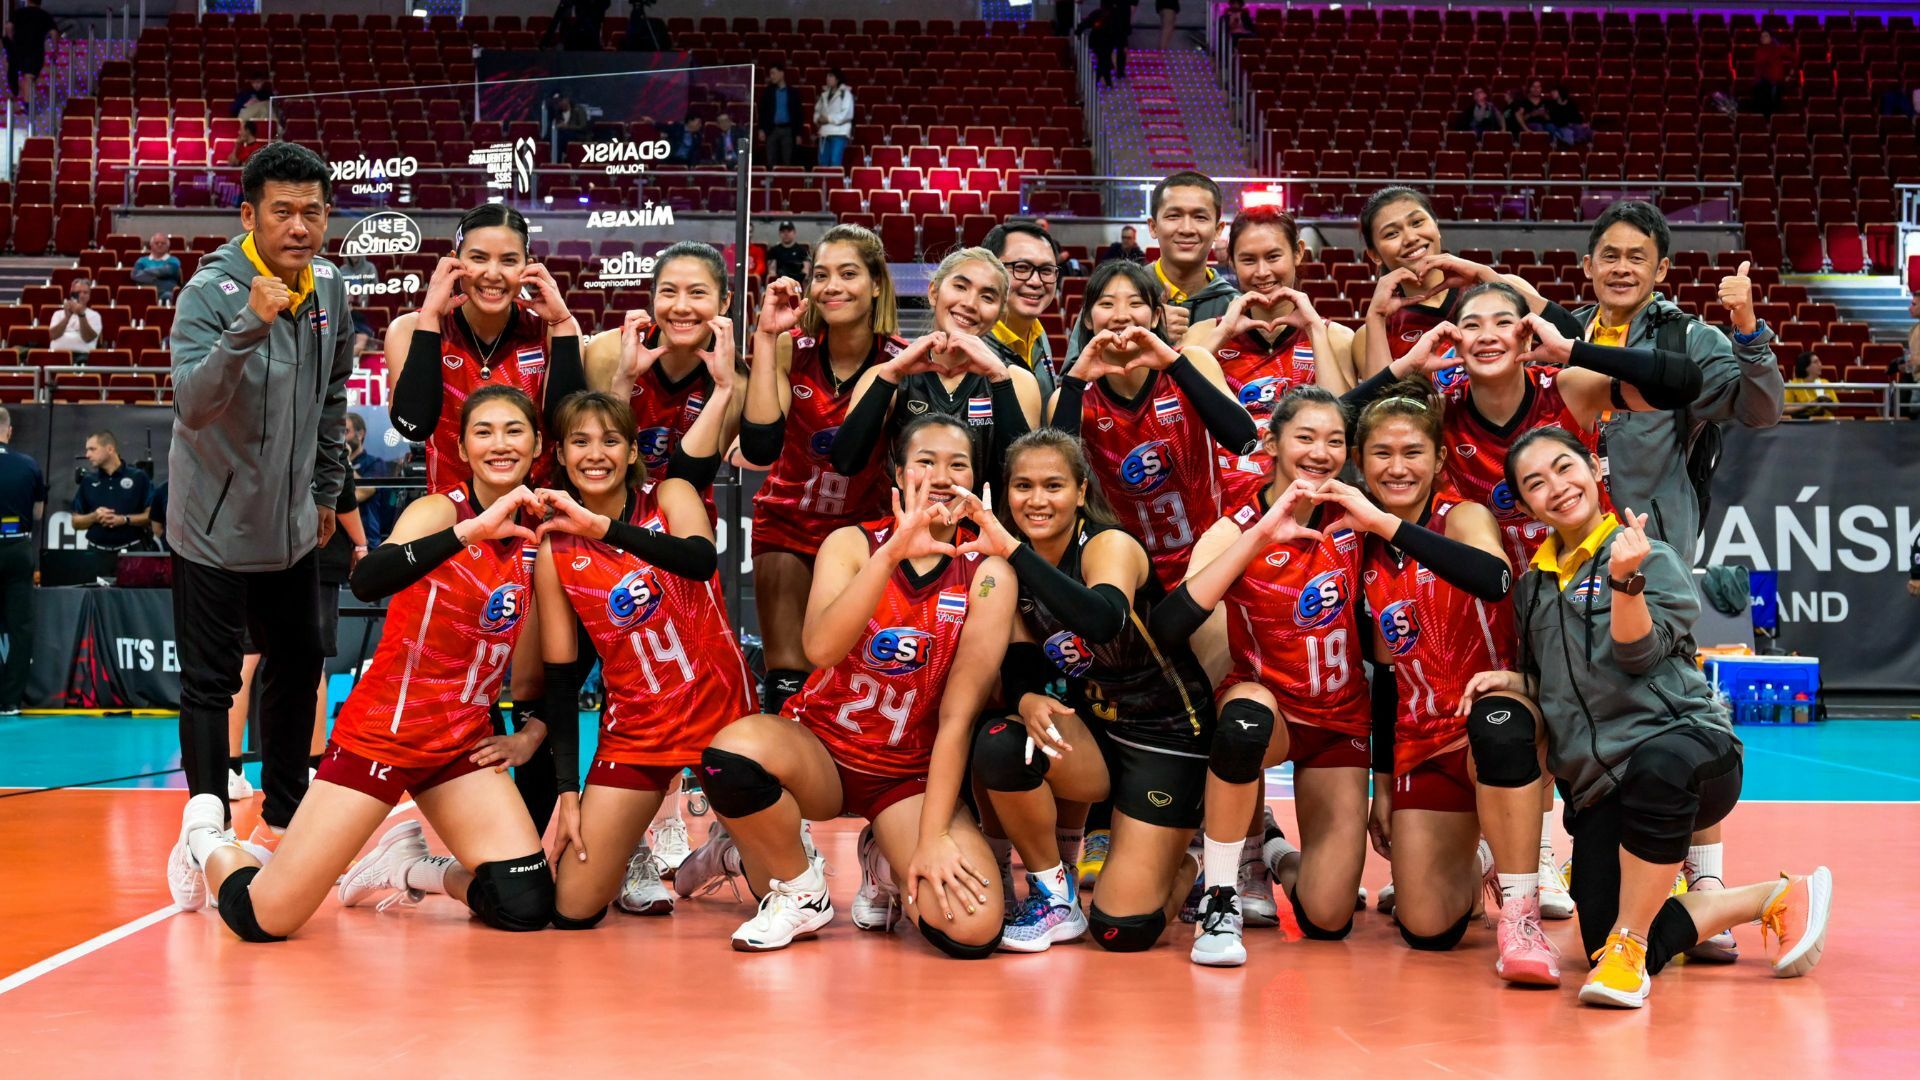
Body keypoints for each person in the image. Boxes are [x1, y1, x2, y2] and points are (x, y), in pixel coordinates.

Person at [167, 386, 556, 940]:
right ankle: (206, 841)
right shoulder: (438, 511)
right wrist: (471, 530)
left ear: (537, 444)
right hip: (384, 734)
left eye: (514, 431)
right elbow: (369, 580)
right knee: (264, 919)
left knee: (525, 903)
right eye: (483, 432)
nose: (500, 444)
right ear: (462, 449)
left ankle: (410, 867)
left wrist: (532, 731)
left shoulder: (542, 531)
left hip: (458, 742)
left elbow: (546, 658)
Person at [1481, 427, 1833, 1008]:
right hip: (1604, 787)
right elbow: (1555, 682)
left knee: (1658, 768)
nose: (1557, 487)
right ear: (1524, 505)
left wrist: (1626, 581)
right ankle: (1771, 896)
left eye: (1565, 467)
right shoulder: (1532, 590)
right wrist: (1516, 682)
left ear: (1594, 468)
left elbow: (1637, 656)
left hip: (1691, 752)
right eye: (1535, 482)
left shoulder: (1654, 557)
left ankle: (1629, 950)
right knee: (1597, 934)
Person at [681, 414, 1013, 956]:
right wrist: (890, 555)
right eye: (925, 461)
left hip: (905, 775)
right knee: (730, 757)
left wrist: (932, 839)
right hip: (823, 751)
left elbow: (958, 717)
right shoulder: (852, 543)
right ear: (899, 473)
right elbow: (820, 649)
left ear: (975, 479)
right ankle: (795, 886)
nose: (941, 475)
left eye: (958, 464)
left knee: (972, 928)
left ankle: (883, 859)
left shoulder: (990, 573)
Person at [1308, 386, 1565, 984]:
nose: (1397, 467)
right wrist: (1382, 785)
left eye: (1413, 452)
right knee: (1426, 928)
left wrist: (1390, 525)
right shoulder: (1359, 546)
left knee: (1499, 726)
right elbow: (1385, 675)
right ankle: (1479, 858)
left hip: (1493, 717)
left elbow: (1495, 578)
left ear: (1440, 459)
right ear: (1359, 462)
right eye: (1382, 453)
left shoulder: (1464, 515)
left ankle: (1522, 916)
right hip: (1421, 736)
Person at [167, 141, 354, 844]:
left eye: (313, 212)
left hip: (292, 524)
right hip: (211, 526)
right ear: (249, 216)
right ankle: (207, 826)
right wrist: (251, 322)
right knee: (211, 680)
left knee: (299, 663)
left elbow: (332, 397)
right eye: (282, 212)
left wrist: (326, 492)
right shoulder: (208, 292)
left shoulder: (329, 285)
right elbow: (193, 403)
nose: (299, 227)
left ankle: (285, 814)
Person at [971, 430, 1214, 959]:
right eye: (1023, 486)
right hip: (1096, 734)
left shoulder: (1109, 545)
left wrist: (1012, 549)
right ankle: (1054, 895)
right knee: (1000, 742)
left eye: (1053, 485)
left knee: (1122, 931)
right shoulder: (1012, 566)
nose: (1037, 500)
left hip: (1167, 735)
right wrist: (1027, 697)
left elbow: (1104, 620)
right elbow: (1021, 657)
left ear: (1081, 491)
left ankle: (1186, 863)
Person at [1149, 388, 1370, 960]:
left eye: (1334, 441)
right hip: (1269, 711)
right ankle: (1221, 897)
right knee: (1243, 719)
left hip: (1340, 720)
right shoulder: (1235, 526)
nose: (1320, 452)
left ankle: (1272, 850)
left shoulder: (1357, 517)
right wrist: (1258, 539)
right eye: (1305, 438)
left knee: (1327, 917)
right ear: (1271, 444)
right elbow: (1168, 626)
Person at [533, 390, 755, 928]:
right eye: (580, 442)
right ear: (560, 454)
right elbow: (560, 679)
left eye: (611, 441)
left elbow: (699, 560)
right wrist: (568, 794)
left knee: (780, 889)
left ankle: (721, 854)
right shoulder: (554, 550)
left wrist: (604, 529)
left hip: (719, 711)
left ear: (633, 451)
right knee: (573, 908)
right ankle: (633, 848)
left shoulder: (671, 494)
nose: (595, 454)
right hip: (636, 728)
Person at [739, 223, 905, 714]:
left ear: (876, 284)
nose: (833, 287)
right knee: (787, 680)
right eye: (822, 275)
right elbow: (761, 446)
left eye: (848, 274)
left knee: (843, 676)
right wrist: (765, 336)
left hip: (859, 531)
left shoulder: (901, 361)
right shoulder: (790, 347)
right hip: (786, 522)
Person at [1050, 260, 1257, 590]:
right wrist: (1074, 382)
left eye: (1135, 303)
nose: (1121, 315)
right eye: (1107, 304)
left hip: (1209, 550)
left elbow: (1245, 441)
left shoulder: (1192, 362)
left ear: (1156, 316)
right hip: (1133, 565)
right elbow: (1055, 480)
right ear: (1087, 319)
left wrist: (1175, 364)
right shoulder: (1072, 396)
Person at [385, 204, 586, 493]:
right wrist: (430, 318)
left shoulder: (554, 329)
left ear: (528, 266)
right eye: (478, 258)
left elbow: (567, 431)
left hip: (537, 508)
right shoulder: (410, 328)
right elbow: (413, 425)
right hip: (451, 510)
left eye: (509, 260)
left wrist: (563, 324)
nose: (493, 274)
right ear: (453, 262)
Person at [1186, 205, 1359, 508]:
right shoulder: (1202, 334)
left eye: (1273, 256)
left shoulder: (1336, 337)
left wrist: (1314, 330)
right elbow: (1173, 407)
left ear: (1298, 252)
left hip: (1307, 506)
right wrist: (1223, 332)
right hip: (1220, 508)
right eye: (1248, 260)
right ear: (1231, 262)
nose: (1262, 272)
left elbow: (1342, 425)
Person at [833, 248, 1041, 493]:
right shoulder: (885, 374)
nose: (970, 303)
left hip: (986, 517)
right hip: (909, 516)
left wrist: (1000, 380)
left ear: (999, 313)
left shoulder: (1017, 381)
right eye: (960, 287)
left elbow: (1027, 477)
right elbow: (845, 461)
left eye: (987, 297)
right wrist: (890, 377)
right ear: (933, 292)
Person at [584, 242, 745, 506]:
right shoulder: (606, 352)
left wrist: (722, 388)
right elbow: (592, 458)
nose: (681, 306)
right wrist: (624, 378)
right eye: (668, 292)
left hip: (684, 519)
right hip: (605, 512)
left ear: (724, 301)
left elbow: (693, 479)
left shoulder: (738, 382)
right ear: (653, 297)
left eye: (697, 293)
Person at [1354, 185, 1565, 376]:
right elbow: (1378, 403)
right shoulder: (1374, 331)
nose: (1410, 238)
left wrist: (1486, 275)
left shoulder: (1508, 288)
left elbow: (1571, 339)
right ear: (1374, 255)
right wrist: (1376, 316)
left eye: (1417, 222)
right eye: (1392, 234)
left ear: (1436, 226)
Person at [1068, 172, 1238, 359]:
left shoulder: (1234, 307)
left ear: (1218, 230)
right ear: (1153, 227)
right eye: (1173, 216)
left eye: (1200, 217)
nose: (1187, 229)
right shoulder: (1109, 293)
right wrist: (1148, 332)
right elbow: (1073, 373)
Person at [983, 222, 1064, 399]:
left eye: (1046, 270)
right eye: (1021, 267)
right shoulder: (970, 347)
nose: (1036, 282)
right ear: (989, 270)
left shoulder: (1038, 334)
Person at [0, 406, 45, 717]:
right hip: (17, 546)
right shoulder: (28, 464)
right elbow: (39, 512)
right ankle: (11, 700)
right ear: (10, 431)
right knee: (21, 627)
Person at [72, 429, 153, 552]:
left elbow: (151, 516)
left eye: (92, 449)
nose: (87, 455)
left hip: (132, 552)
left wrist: (124, 520)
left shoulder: (138, 477)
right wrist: (94, 517)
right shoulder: (88, 481)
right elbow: (75, 522)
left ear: (110, 449)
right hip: (96, 553)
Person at [344, 412, 391, 548]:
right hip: (341, 541)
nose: (342, 438)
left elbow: (363, 492)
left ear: (360, 434)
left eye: (346, 431)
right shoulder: (335, 466)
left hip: (367, 539)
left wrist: (345, 460)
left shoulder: (375, 464)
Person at [2, 0, 58, 104]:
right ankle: (28, 103)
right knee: (29, 76)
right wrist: (55, 49)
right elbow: (54, 32)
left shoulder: (19, 13)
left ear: (28, 1)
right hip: (35, 50)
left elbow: (8, 27)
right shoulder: (44, 15)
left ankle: (16, 95)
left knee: (14, 69)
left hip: (18, 48)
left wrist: (12, 39)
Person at [47, 278, 101, 356]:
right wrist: (67, 318)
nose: (82, 295)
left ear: (89, 296)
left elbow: (88, 338)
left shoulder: (95, 315)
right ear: (72, 294)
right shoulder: (58, 314)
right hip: (56, 355)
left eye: (85, 292)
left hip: (82, 356)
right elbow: (53, 336)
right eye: (78, 292)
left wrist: (81, 315)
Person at [757, 64, 797, 168]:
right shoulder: (768, 92)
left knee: (787, 161)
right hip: (771, 130)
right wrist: (761, 129)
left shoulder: (792, 92)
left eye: (773, 73)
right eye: (770, 74)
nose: (771, 76)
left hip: (788, 130)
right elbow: (762, 112)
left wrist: (798, 134)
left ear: (781, 73)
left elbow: (798, 113)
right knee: (770, 160)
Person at [813, 69, 854, 168]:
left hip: (839, 133)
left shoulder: (846, 94)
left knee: (835, 162)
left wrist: (828, 119)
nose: (828, 78)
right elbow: (817, 110)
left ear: (837, 79)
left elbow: (847, 114)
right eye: (827, 76)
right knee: (823, 163)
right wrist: (817, 119)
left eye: (831, 76)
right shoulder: (824, 94)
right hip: (824, 133)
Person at [130, 233, 184, 304]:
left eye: (163, 243)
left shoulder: (174, 260)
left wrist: (146, 272)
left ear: (168, 246)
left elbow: (169, 271)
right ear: (151, 245)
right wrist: (161, 277)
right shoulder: (142, 261)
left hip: (167, 293)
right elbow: (135, 275)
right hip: (145, 294)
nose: (160, 245)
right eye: (156, 243)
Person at [1751, 31, 1795, 116]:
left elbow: (1794, 57)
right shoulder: (1758, 51)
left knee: (1774, 107)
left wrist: (1790, 74)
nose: (1763, 38)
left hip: (1775, 84)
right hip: (1762, 84)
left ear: (1771, 38)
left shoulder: (1778, 49)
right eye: (1762, 37)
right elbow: (1758, 70)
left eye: (1766, 36)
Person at [1783, 351, 1837, 419]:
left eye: (1819, 361)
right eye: (1815, 362)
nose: (1820, 364)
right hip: (1803, 422)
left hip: (1826, 421)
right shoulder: (1793, 385)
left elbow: (1836, 407)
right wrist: (1808, 406)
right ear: (1806, 366)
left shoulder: (1825, 383)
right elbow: (1785, 409)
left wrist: (1828, 402)